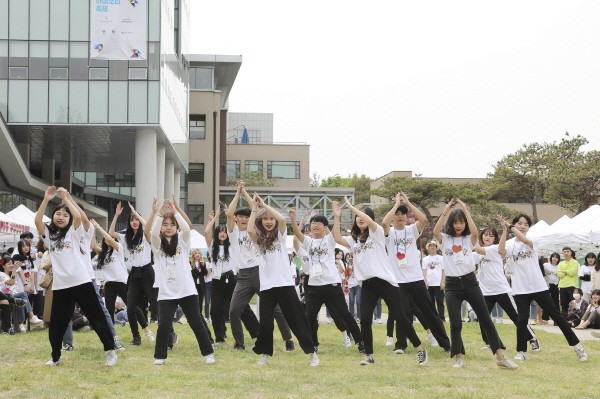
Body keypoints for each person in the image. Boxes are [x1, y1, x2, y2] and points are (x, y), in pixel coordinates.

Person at [333, 197, 428, 366]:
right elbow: (337, 238)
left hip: (386, 282)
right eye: (357, 217)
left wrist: (351, 207)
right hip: (368, 284)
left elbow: (372, 221)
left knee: (400, 316)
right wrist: (337, 216)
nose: (360, 218)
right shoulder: (354, 239)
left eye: (363, 216)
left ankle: (420, 349)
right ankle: (369, 355)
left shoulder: (377, 234)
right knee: (365, 320)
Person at [35, 186, 116, 367]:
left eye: (65, 214)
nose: (61, 217)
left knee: (96, 317)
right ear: (53, 217)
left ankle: (110, 350)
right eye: (58, 214)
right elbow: (38, 220)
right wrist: (47, 199)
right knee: (58, 323)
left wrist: (66, 199)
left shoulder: (74, 231)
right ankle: (55, 356)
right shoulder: (49, 236)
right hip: (61, 285)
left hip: (81, 281)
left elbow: (79, 217)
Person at [433, 199, 517, 369]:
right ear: (451, 222)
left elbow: (473, 231)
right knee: (455, 323)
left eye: (461, 222)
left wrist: (465, 210)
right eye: (456, 222)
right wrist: (446, 210)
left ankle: (501, 357)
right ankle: (459, 357)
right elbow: (435, 231)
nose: (458, 225)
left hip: (470, 282)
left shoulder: (469, 239)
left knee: (486, 320)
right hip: (452, 286)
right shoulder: (445, 239)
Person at [502, 213, 588, 362]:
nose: (522, 226)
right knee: (521, 321)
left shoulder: (533, 240)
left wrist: (510, 227)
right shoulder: (510, 244)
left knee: (557, 317)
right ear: (514, 225)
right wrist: (504, 231)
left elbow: (523, 239)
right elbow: (500, 251)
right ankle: (521, 351)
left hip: (538, 287)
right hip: (520, 288)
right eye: (519, 223)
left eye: (526, 224)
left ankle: (578, 348)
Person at [247, 194, 319, 367]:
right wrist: (255, 209)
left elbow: (281, 219)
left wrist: (265, 204)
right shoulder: (258, 239)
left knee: (296, 320)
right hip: (266, 287)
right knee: (265, 323)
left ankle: (312, 353)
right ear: (260, 221)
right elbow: (249, 230)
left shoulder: (280, 235)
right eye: (265, 219)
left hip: (285, 285)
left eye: (270, 218)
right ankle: (265, 354)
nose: (269, 221)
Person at [225, 182, 294, 351]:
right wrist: (237, 193)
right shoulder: (232, 233)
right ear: (236, 218)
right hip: (243, 276)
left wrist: (247, 194)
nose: (243, 218)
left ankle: (288, 340)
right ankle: (239, 343)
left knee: (275, 309)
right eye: (240, 216)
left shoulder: (256, 229)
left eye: (247, 216)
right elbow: (229, 214)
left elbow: (258, 210)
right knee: (234, 310)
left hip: (260, 272)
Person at [146, 198, 215, 365]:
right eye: (166, 225)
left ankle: (208, 353)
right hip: (166, 292)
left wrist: (176, 211)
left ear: (176, 227)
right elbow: (153, 234)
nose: (168, 227)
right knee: (163, 325)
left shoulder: (183, 243)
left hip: (186, 290)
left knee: (196, 322)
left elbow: (187, 228)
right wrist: (160, 216)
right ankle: (160, 356)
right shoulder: (158, 245)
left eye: (172, 225)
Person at [381, 192, 451, 353]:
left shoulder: (412, 229)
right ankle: (401, 345)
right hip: (398, 280)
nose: (399, 217)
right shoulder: (389, 233)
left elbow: (424, 219)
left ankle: (445, 343)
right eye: (397, 214)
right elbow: (384, 222)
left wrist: (407, 202)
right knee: (402, 314)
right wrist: (396, 204)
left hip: (416, 278)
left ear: (406, 216)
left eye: (402, 214)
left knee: (429, 311)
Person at [290, 208, 364, 354]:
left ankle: (360, 341)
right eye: (313, 223)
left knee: (344, 314)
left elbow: (336, 234)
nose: (315, 225)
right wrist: (294, 220)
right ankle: (314, 343)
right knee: (310, 316)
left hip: (331, 284)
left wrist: (336, 217)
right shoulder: (308, 242)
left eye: (319, 223)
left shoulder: (329, 240)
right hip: (314, 286)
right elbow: (297, 235)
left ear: (325, 228)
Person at [472, 223, 539, 352]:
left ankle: (532, 338)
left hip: (502, 290)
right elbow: (471, 259)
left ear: (495, 239)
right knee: (483, 318)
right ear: (482, 236)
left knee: (517, 318)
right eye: (485, 235)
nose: (488, 237)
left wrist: (503, 231)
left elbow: (479, 249)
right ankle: (491, 342)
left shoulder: (496, 249)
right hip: (486, 291)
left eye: (491, 236)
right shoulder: (477, 253)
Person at [91, 219, 149, 343]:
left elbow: (110, 239)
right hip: (109, 284)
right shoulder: (103, 253)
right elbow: (93, 245)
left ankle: (146, 329)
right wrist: (92, 230)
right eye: (106, 238)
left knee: (132, 308)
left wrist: (99, 227)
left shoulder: (118, 249)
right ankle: (112, 336)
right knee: (109, 309)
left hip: (122, 282)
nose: (108, 239)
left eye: (110, 238)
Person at [109, 202, 156, 346]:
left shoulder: (146, 235)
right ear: (129, 223)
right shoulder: (125, 237)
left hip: (147, 272)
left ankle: (169, 333)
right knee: (130, 307)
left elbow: (149, 227)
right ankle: (136, 337)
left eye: (137, 219)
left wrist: (137, 212)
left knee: (154, 304)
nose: (134, 222)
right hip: (133, 274)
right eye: (132, 219)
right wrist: (116, 215)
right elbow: (111, 234)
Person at [204, 208, 236, 344]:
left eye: (225, 231)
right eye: (220, 231)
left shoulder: (233, 245)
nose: (223, 233)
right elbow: (206, 232)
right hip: (216, 281)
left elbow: (232, 227)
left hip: (231, 279)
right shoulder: (212, 246)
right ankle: (220, 336)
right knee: (215, 311)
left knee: (233, 309)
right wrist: (213, 219)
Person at [422, 240, 445, 322]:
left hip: (438, 283)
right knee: (430, 303)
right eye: (431, 246)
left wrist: (443, 282)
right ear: (428, 248)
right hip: (429, 283)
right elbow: (424, 271)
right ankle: (432, 318)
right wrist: (425, 282)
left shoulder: (441, 258)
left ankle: (442, 318)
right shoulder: (425, 259)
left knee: (440, 302)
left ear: (436, 248)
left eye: (434, 246)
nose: (432, 247)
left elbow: (443, 270)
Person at [557, 247, 579, 319]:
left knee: (573, 302)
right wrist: (567, 271)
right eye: (564, 252)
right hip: (562, 285)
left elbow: (573, 272)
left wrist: (564, 271)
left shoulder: (575, 262)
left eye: (567, 251)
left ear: (571, 252)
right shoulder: (560, 263)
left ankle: (574, 319)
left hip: (571, 285)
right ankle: (564, 319)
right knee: (563, 304)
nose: (566, 253)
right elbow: (559, 274)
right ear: (562, 253)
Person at [541, 252, 561, 324]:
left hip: (555, 285)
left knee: (555, 302)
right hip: (547, 285)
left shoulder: (560, 266)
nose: (555, 259)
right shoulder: (546, 265)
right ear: (551, 258)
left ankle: (557, 319)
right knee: (546, 301)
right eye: (553, 257)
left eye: (556, 257)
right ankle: (544, 318)